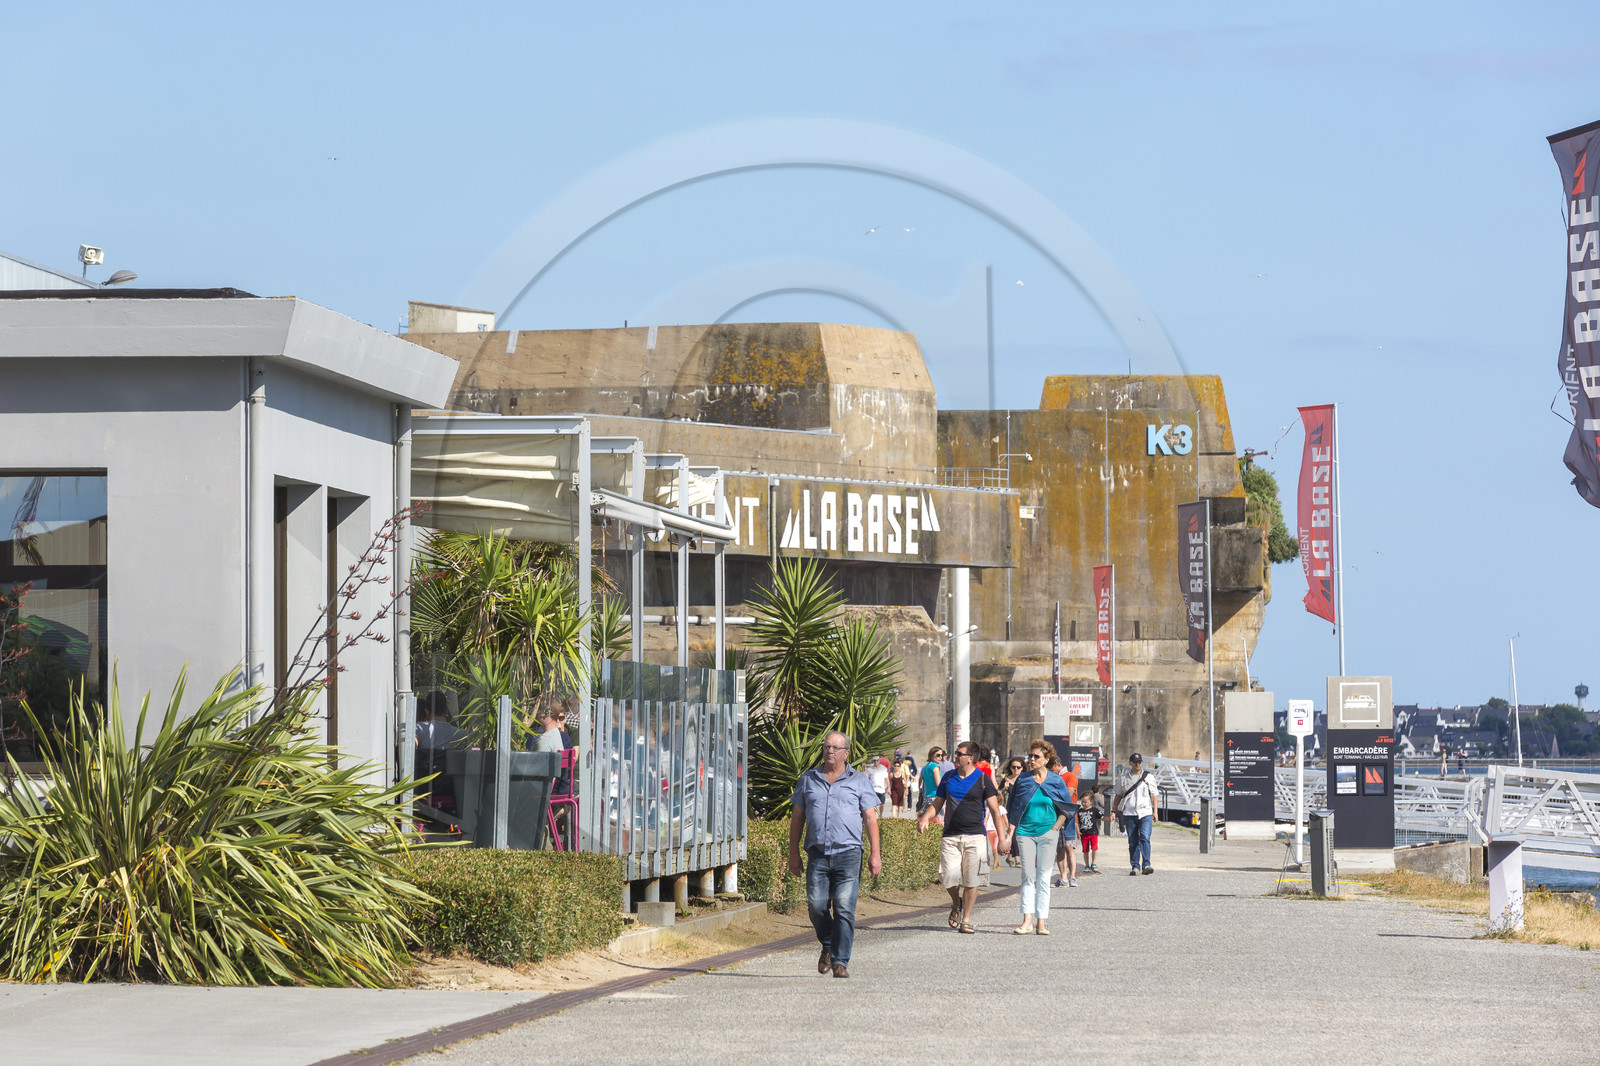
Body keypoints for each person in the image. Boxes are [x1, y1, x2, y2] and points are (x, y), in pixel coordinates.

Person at [788, 731, 882, 979]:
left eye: (835, 748)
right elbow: (797, 818)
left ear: (846, 753)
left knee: (844, 908)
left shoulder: (859, 780)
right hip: (817, 854)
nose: (829, 751)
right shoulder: (808, 779)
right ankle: (829, 944)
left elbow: (870, 818)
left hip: (849, 854)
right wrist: (793, 853)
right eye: (826, 747)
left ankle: (840, 961)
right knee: (816, 906)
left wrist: (875, 854)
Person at [917, 741, 1008, 934]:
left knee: (971, 880)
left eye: (959, 754)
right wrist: (925, 817)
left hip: (975, 836)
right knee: (948, 877)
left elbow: (995, 810)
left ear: (970, 758)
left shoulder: (983, 779)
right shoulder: (948, 777)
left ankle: (966, 920)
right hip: (950, 835)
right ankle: (956, 903)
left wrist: (1002, 838)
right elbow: (938, 802)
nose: (955, 756)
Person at [1003, 740, 1075, 934]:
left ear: (1047, 759)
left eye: (1036, 756)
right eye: (1030, 756)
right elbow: (1013, 807)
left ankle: (1041, 922)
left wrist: (1055, 828)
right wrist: (1010, 832)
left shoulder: (1056, 781)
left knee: (1044, 877)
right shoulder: (1023, 779)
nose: (1031, 759)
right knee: (1027, 875)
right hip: (1025, 832)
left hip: (1048, 833)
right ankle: (1027, 921)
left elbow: (1068, 808)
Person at [1116, 752, 1160, 875]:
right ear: (1130, 763)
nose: (1137, 764)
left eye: (1139, 762)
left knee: (1145, 837)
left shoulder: (1148, 777)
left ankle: (1146, 865)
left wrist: (1155, 811)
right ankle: (1135, 866)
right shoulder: (1123, 779)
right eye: (1135, 762)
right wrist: (1114, 810)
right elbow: (1118, 795)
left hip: (1145, 812)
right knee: (1133, 840)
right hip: (1129, 813)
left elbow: (1154, 795)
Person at [1051, 753, 1080, 887]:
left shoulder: (1070, 776)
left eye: (1051, 767)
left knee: (1069, 847)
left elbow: (1068, 794)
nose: (1050, 770)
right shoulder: (1053, 778)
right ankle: (1063, 877)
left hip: (1068, 816)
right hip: (1056, 815)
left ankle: (1072, 876)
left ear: (1058, 765)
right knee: (1060, 848)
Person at [1077, 787, 1102, 873]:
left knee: (1094, 848)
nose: (1083, 804)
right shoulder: (1079, 811)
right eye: (1082, 802)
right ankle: (1087, 865)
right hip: (1083, 833)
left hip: (1093, 832)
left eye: (1085, 802)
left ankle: (1093, 863)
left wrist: (1109, 818)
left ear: (1091, 801)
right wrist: (1077, 831)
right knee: (1085, 850)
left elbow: (1101, 817)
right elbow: (1077, 822)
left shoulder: (1094, 810)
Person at [918, 747, 946, 815]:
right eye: (938, 755)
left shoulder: (926, 767)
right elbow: (939, 784)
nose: (940, 757)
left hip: (927, 798)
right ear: (931, 755)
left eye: (941, 755)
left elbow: (921, 780)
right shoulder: (935, 766)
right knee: (940, 820)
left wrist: (919, 789)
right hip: (936, 798)